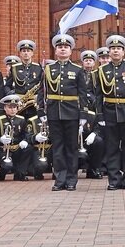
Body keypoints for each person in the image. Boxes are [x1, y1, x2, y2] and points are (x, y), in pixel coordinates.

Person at [37, 34, 87, 191]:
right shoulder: (48, 69)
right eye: (60, 47)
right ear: (56, 50)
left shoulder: (78, 70)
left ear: (71, 50)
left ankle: (71, 179)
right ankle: (60, 179)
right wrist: (41, 111)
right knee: (58, 147)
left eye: (66, 47)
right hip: (54, 112)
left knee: (71, 148)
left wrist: (83, 115)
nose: (63, 49)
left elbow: (82, 94)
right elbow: (42, 91)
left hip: (72, 113)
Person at [96, 35, 125, 190]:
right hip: (109, 113)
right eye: (113, 48)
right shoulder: (102, 70)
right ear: (109, 51)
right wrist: (99, 114)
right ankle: (114, 179)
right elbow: (98, 95)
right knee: (112, 148)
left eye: (118, 49)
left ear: (124, 52)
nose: (115, 51)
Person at [0, 94, 33, 181]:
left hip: (16, 147)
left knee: (28, 147)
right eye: (10, 107)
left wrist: (25, 141)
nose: (13, 110)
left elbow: (26, 133)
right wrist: (0, 139)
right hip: (4, 149)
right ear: (5, 108)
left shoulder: (21, 119)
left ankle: (20, 173)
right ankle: (2, 173)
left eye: (15, 107)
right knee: (7, 165)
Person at [5, 40, 43, 121]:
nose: (26, 53)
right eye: (23, 51)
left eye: (28, 51)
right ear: (20, 53)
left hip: (33, 103)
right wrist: (13, 97)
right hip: (19, 104)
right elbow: (7, 86)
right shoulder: (14, 67)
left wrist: (38, 97)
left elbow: (42, 85)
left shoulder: (38, 68)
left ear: (32, 53)